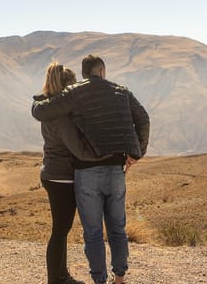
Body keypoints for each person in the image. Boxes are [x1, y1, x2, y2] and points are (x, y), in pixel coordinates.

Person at [32, 55, 150, 284]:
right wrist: (133, 153)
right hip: (111, 170)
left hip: (83, 173)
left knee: (92, 232)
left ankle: (96, 280)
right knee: (116, 228)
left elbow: (41, 112)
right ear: (102, 71)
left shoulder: (71, 97)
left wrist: (36, 103)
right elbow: (143, 119)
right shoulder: (120, 91)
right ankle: (119, 278)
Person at [34, 62, 107, 284]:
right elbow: (77, 149)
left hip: (52, 173)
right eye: (74, 86)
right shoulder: (62, 117)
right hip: (62, 176)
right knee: (60, 231)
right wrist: (103, 156)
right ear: (68, 87)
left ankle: (61, 276)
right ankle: (56, 279)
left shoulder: (49, 108)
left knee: (61, 230)